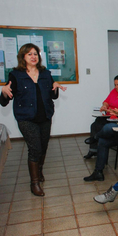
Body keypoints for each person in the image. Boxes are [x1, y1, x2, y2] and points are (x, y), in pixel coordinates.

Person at [0, 43, 67, 196]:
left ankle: (40, 171)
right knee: (34, 147)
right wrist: (3, 91)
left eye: (35, 54)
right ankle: (34, 183)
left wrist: (55, 87)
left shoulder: (45, 73)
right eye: (29, 54)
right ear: (23, 56)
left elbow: (53, 96)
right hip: (26, 118)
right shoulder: (16, 75)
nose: (33, 56)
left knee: (43, 146)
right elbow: (4, 101)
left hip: (45, 116)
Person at [83, 75, 118, 159]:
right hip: (109, 116)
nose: (116, 87)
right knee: (95, 125)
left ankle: (96, 140)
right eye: (115, 85)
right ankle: (93, 150)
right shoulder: (114, 91)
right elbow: (106, 101)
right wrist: (104, 106)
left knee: (100, 126)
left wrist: (113, 111)